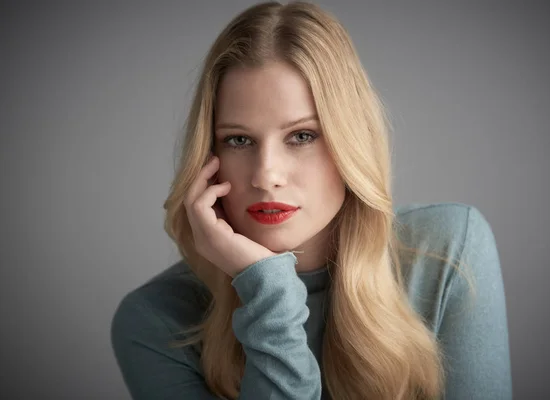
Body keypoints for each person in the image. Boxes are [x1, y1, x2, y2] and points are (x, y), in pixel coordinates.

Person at [110, 1, 512, 399]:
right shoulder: (155, 321)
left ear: (349, 142)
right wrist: (267, 286)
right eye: (239, 139)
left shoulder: (448, 251)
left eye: (302, 136)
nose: (267, 175)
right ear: (207, 157)